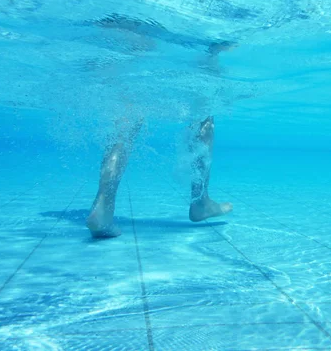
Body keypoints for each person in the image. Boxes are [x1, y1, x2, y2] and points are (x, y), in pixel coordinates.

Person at [85, 17, 234, 238]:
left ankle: (103, 206)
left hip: (135, 29)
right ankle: (200, 201)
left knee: (128, 114)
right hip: (187, 30)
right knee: (203, 112)